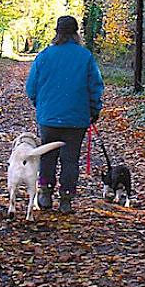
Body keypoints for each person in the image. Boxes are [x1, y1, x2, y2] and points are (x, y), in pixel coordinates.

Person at [26, 15, 104, 214]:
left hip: (49, 118)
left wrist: (41, 105)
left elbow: (31, 87)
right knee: (70, 159)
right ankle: (66, 199)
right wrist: (94, 110)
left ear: (57, 33)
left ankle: (45, 193)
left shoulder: (44, 55)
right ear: (76, 33)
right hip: (76, 120)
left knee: (48, 157)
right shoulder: (85, 56)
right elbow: (95, 86)